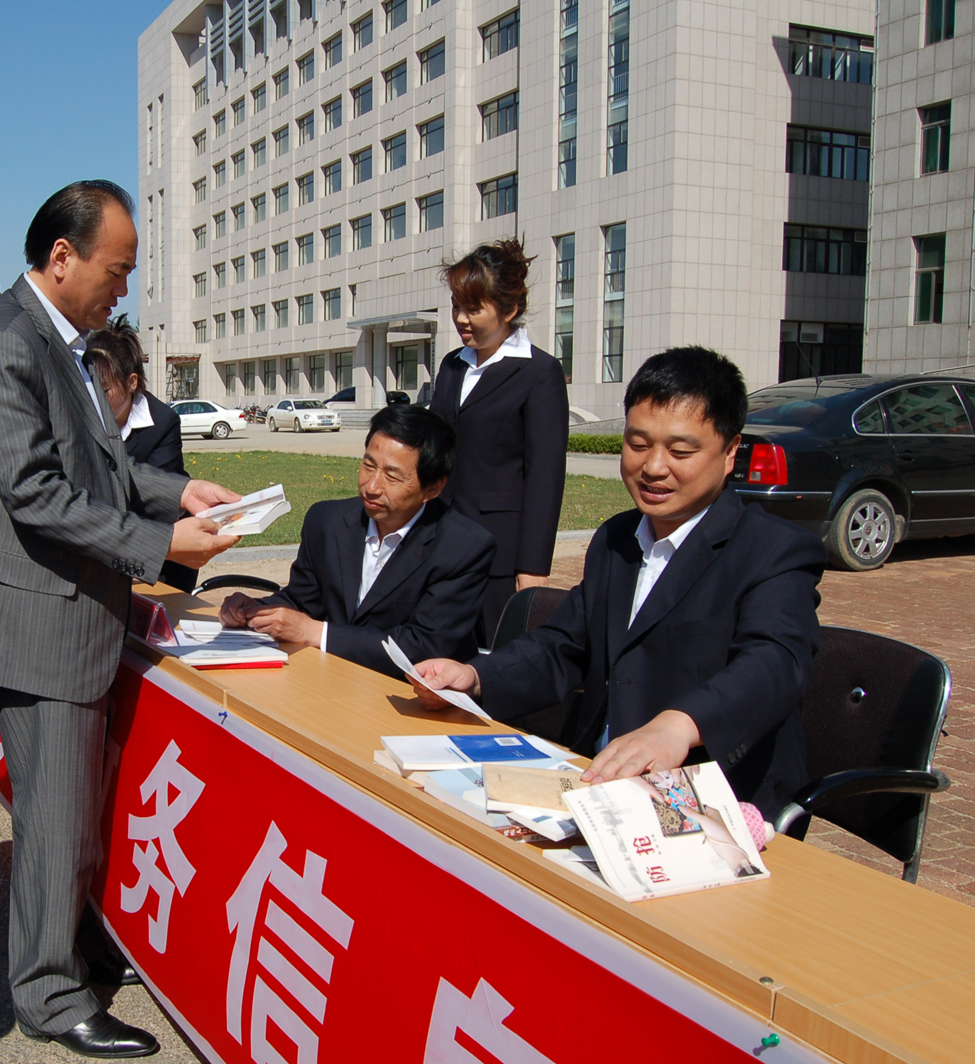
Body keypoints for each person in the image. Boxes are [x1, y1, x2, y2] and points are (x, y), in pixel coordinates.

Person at [0, 180, 239, 1058]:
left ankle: (62, 950)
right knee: (58, 819)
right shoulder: (2, 345)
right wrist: (161, 540)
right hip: (43, 624)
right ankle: (48, 991)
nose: (124, 290)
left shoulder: (62, 341)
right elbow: (37, 494)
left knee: (72, 813)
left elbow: (102, 465)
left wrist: (183, 489)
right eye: (117, 269)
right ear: (61, 257)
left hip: (77, 615)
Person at [409, 347, 827, 820]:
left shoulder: (773, 550)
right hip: (600, 781)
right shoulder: (617, 539)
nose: (653, 467)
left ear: (730, 452)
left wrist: (680, 726)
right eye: (638, 443)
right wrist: (477, 675)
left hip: (715, 802)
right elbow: (565, 645)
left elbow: (775, 662)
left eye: (681, 451)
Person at [217, 405, 494, 676]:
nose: (371, 486)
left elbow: (423, 647)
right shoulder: (327, 520)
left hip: (411, 700)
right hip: (330, 684)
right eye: (368, 466)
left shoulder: (464, 548)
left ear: (433, 488)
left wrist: (315, 632)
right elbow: (303, 602)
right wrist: (255, 610)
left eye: (392, 476)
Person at [429, 238, 569, 647]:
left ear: (509, 309)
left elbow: (545, 476)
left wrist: (532, 567)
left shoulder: (539, 372)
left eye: (474, 308)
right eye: (457, 305)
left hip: (499, 552)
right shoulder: (452, 365)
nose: (461, 318)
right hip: (442, 540)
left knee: (494, 660)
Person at [84, 315, 198, 592]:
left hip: (156, 562)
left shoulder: (162, 422)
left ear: (132, 382)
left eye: (106, 389)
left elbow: (157, 501)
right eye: (89, 389)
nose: (96, 399)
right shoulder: (79, 414)